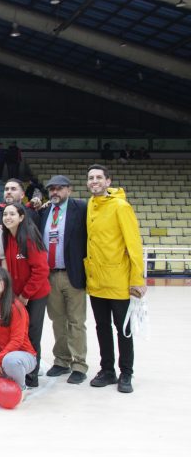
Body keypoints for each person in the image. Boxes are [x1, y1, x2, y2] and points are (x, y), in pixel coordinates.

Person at [85, 164, 146, 393]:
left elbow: (134, 245)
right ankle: (107, 370)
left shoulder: (121, 206)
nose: (94, 181)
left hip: (119, 281)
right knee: (102, 328)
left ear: (108, 181)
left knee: (123, 330)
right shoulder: (91, 204)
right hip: (97, 281)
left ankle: (126, 373)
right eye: (91, 178)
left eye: (99, 177)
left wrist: (137, 279)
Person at [36, 175, 88, 384]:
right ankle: (62, 360)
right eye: (52, 189)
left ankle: (79, 363)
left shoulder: (81, 208)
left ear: (69, 190)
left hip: (72, 273)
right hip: (50, 275)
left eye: (59, 189)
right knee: (57, 320)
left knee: (76, 321)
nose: (55, 192)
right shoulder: (46, 211)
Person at [1, 202, 50, 387]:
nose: (8, 217)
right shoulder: (8, 238)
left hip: (35, 295)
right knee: (18, 333)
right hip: (17, 296)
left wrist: (26, 295)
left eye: (12, 214)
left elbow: (41, 270)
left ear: (22, 217)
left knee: (32, 334)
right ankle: (19, 369)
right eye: (5, 214)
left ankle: (32, 376)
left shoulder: (29, 238)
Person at [0, 267, 36, 398]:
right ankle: (9, 379)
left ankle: (21, 388)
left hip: (22, 356)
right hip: (4, 356)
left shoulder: (15, 307)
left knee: (10, 361)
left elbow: (17, 341)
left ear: (6, 283)